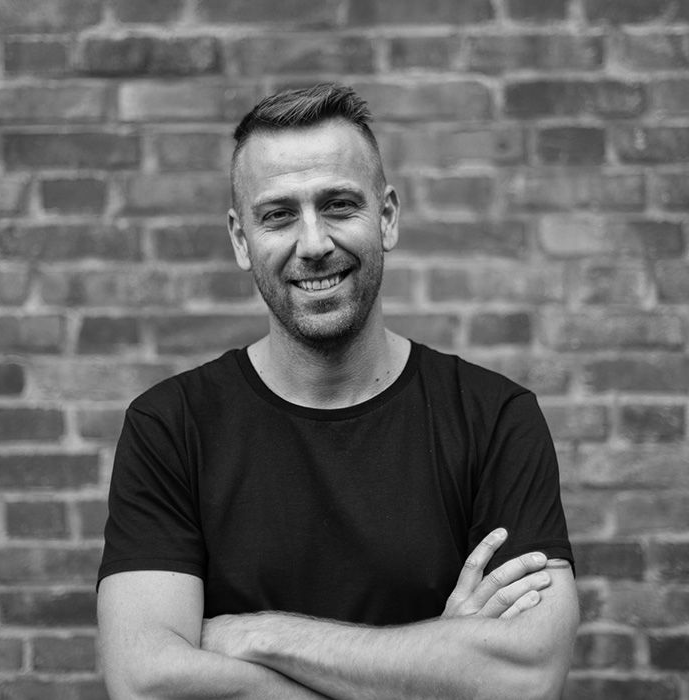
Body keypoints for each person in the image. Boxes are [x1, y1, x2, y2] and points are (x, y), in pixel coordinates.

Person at [97, 83, 579, 700]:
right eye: (278, 215)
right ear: (241, 240)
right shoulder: (170, 428)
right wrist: (432, 665)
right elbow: (146, 683)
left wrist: (258, 635)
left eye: (339, 205)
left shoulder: (495, 420)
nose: (314, 243)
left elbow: (528, 677)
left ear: (387, 217)